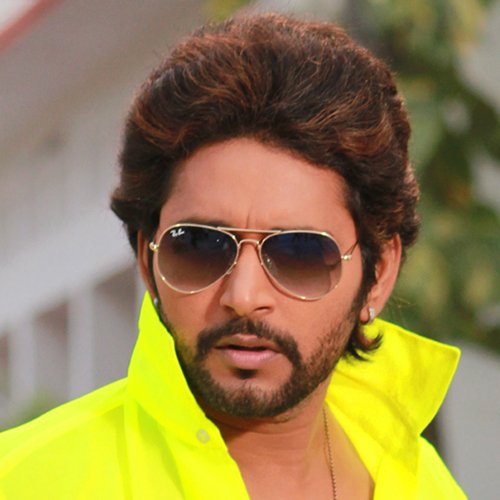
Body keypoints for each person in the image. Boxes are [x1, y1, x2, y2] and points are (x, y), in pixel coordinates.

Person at [0, 12, 466, 499]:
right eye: (199, 246)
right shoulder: (25, 481)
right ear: (147, 260)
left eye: (301, 252)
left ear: (378, 274)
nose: (243, 296)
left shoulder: (424, 485)